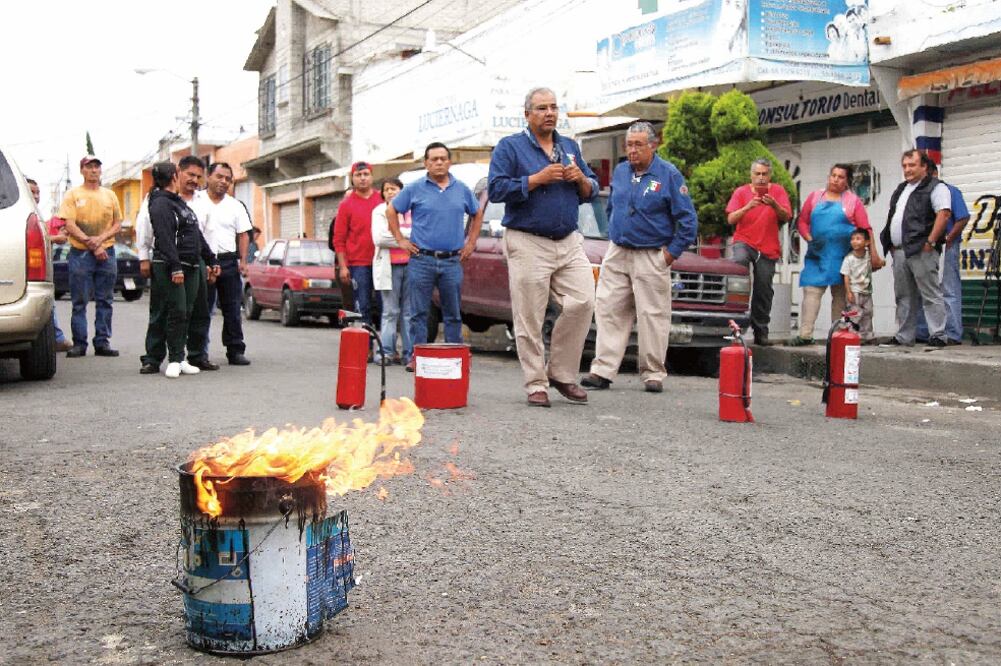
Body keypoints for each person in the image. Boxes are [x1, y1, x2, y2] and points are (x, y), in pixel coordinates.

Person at [488, 87, 599, 408]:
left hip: (568, 240)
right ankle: (536, 383)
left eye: (553, 107)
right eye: (541, 108)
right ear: (527, 114)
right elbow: (496, 189)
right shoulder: (510, 147)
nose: (549, 113)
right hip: (527, 241)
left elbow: (592, 189)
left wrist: (580, 179)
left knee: (583, 302)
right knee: (530, 316)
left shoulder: (569, 146)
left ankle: (561, 373)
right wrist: (536, 179)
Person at [580, 122, 697, 394]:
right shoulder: (621, 171)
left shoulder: (668, 174)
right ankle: (602, 370)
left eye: (638, 145)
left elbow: (688, 220)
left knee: (653, 315)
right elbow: (612, 208)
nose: (632, 150)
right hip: (618, 251)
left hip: (651, 253)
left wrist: (670, 254)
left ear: (653, 145)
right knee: (608, 309)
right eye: (629, 145)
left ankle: (653, 373)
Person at [387, 143, 483, 371]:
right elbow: (392, 210)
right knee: (418, 312)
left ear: (449, 162)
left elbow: (477, 212)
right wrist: (400, 240)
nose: (439, 163)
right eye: (434, 159)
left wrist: (471, 242)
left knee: (453, 313)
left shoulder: (461, 189)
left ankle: (455, 358)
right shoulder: (415, 188)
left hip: (452, 261)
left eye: (443, 158)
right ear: (426, 163)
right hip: (422, 259)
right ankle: (417, 357)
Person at [137, 156, 217, 373]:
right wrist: (144, 257)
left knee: (195, 311)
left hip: (195, 261)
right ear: (177, 174)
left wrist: (211, 260)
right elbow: (150, 230)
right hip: (170, 261)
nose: (194, 180)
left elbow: (204, 233)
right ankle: (154, 358)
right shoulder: (157, 201)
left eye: (198, 177)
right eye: (190, 174)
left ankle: (194, 356)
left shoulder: (199, 200)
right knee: (164, 311)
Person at [790, 163, 882, 345]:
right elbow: (802, 221)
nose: (835, 180)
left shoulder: (852, 202)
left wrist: (873, 255)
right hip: (817, 256)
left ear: (847, 181)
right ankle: (805, 335)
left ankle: (837, 336)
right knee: (811, 292)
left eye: (840, 177)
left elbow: (865, 229)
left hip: (843, 257)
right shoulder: (815, 197)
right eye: (833, 175)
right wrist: (808, 237)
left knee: (840, 297)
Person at [879, 150, 951, 348]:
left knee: (930, 293)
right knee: (903, 296)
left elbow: (944, 214)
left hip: (922, 249)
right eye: (904, 166)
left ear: (924, 166)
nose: (907, 169)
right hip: (900, 251)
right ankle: (904, 337)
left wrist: (931, 241)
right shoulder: (902, 188)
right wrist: (890, 243)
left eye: (912, 165)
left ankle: (938, 335)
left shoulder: (936, 187)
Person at [57, 155, 123, 358]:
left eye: (96, 167)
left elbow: (117, 224)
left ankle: (102, 342)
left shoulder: (110, 195)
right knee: (79, 301)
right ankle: (79, 343)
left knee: (106, 300)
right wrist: (92, 244)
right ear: (82, 170)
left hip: (107, 251)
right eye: (89, 167)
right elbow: (69, 224)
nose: (94, 170)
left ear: (100, 170)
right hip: (80, 253)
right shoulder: (73, 194)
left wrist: (100, 241)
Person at [189, 162, 253, 367]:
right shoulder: (195, 201)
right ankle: (199, 353)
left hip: (228, 262)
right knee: (202, 309)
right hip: (203, 262)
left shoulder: (236, 205)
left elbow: (243, 234)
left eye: (228, 179)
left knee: (232, 309)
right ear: (208, 177)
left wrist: (243, 261)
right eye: (219, 177)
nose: (224, 182)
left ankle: (235, 350)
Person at [725, 158, 792, 346]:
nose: (761, 178)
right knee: (738, 273)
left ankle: (761, 331)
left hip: (768, 247)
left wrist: (774, 205)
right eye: (757, 174)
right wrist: (748, 206)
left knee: (763, 289)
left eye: (764, 174)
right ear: (751, 175)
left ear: (770, 175)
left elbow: (786, 216)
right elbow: (731, 219)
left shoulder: (778, 191)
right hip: (744, 241)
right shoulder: (741, 192)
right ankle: (734, 327)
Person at [914, 163, 970, 344]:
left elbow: (963, 217)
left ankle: (952, 333)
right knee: (925, 289)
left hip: (947, 246)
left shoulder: (950, 191)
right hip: (926, 247)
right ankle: (924, 331)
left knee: (948, 288)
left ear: (933, 174)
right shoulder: (920, 193)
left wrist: (949, 237)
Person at [333, 161, 383, 339]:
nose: (362, 178)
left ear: (372, 176)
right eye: (358, 175)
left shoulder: (382, 200)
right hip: (358, 264)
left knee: (386, 307)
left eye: (366, 174)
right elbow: (339, 238)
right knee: (362, 306)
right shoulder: (346, 205)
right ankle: (365, 346)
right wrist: (343, 266)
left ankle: (386, 348)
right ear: (352, 178)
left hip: (383, 261)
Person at [26, 177, 72, 352]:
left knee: (48, 301)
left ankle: (56, 337)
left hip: (41, 268)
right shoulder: (23, 215)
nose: (36, 196)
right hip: (27, 270)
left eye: (38, 192)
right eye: (32, 192)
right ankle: (56, 338)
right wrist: (55, 238)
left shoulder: (37, 216)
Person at [371, 177, 412, 365]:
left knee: (409, 312)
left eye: (394, 188)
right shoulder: (379, 212)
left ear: (402, 191)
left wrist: (397, 236)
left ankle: (409, 354)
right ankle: (386, 352)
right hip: (390, 267)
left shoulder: (412, 210)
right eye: (386, 189)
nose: (390, 192)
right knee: (390, 311)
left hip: (412, 265)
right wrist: (407, 239)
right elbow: (380, 238)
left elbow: (422, 234)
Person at [840, 228, 876, 343]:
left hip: (867, 291)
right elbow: (846, 276)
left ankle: (867, 335)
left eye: (858, 239)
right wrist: (848, 292)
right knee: (855, 313)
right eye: (852, 239)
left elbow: (877, 263)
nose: (854, 241)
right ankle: (852, 335)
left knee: (868, 313)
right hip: (854, 291)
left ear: (867, 242)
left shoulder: (868, 256)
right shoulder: (849, 259)